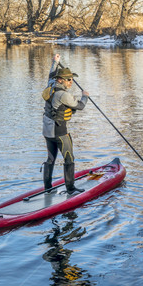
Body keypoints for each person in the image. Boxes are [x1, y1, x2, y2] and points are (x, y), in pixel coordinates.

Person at [42, 54, 89, 195]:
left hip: (47, 131)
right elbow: (80, 106)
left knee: (50, 159)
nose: (71, 82)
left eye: (72, 79)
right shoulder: (64, 95)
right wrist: (85, 96)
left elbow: (51, 75)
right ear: (60, 80)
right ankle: (71, 189)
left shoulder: (50, 85)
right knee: (69, 158)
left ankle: (48, 188)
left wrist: (55, 62)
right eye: (69, 80)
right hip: (60, 131)